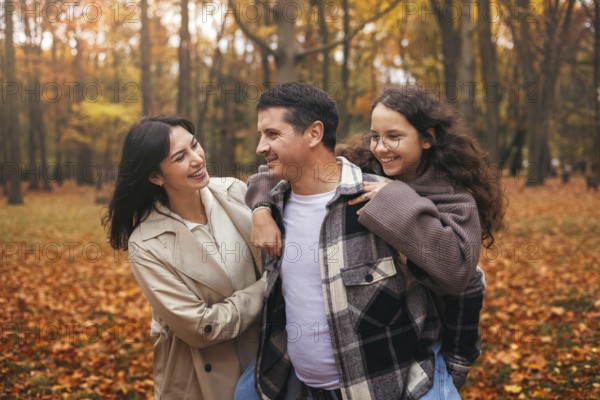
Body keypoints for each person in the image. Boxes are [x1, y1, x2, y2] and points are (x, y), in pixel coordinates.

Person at [243, 82, 475, 400]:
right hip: (296, 380)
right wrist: (260, 210)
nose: (381, 148)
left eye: (272, 134)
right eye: (376, 137)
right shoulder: (284, 199)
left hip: (392, 381)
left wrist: (456, 363)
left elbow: (464, 275)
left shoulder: (399, 196)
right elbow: (264, 177)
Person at [102, 115, 266, 400]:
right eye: (180, 157)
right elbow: (201, 328)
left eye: (195, 145)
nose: (197, 159)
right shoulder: (147, 244)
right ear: (156, 176)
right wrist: (268, 287)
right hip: (202, 379)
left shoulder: (234, 191)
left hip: (267, 361)